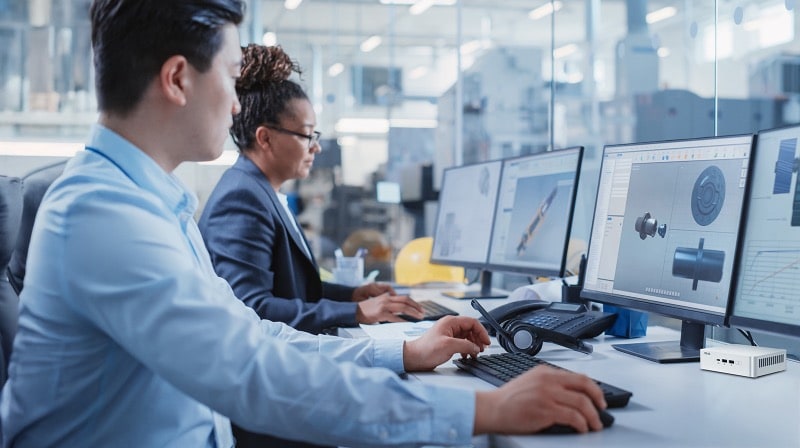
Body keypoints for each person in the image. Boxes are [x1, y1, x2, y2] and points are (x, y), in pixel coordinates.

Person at [0, 1, 608, 447]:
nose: (239, 103)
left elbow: (256, 336)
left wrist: (403, 357)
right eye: (232, 77)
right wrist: (482, 413)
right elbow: (249, 374)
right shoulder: (101, 215)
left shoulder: (154, 205)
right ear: (179, 79)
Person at [198, 44, 423, 335]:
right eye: (307, 135)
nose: (316, 146)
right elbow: (251, 308)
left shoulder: (259, 190)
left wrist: (351, 296)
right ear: (265, 138)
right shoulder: (241, 198)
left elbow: (291, 290)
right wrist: (356, 312)